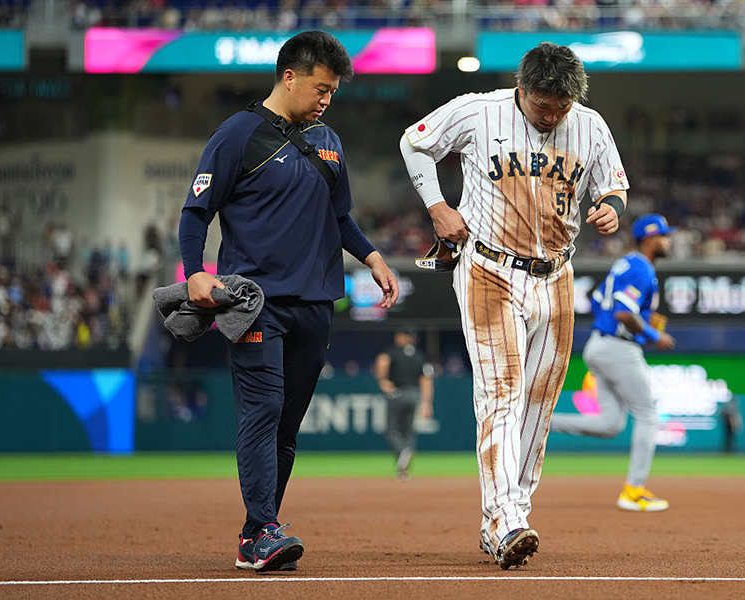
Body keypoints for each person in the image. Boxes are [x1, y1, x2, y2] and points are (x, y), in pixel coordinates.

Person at [399, 41, 628, 569]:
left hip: (557, 275)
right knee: (500, 392)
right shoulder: (479, 110)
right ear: (522, 89)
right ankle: (505, 519)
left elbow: (613, 186)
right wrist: (436, 206)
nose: (553, 114)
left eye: (562, 105)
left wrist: (611, 209)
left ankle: (508, 515)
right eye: (544, 104)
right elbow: (415, 143)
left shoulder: (589, 125)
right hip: (489, 268)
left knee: (540, 403)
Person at [179, 31, 399, 573]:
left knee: (287, 424)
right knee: (264, 410)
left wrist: (371, 257)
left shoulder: (329, 140)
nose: (327, 99)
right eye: (321, 88)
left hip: (317, 302)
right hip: (254, 301)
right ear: (289, 77)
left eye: (333, 91)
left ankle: (261, 530)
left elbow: (339, 215)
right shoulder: (237, 135)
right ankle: (261, 531)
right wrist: (194, 275)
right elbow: (195, 213)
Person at [551, 213, 676, 512]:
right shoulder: (640, 268)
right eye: (663, 235)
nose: (668, 240)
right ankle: (633, 491)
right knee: (647, 415)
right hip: (618, 348)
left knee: (610, 424)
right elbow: (622, 312)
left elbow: (597, 301)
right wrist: (651, 334)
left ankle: (542, 423)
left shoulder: (625, 263)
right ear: (648, 238)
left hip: (600, 344)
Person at [374, 329, 434, 480]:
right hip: (414, 394)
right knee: (407, 431)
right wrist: (427, 403)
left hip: (397, 393)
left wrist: (382, 380)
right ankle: (403, 470)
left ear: (401, 337)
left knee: (392, 429)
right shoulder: (420, 356)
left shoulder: (393, 352)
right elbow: (426, 379)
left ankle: (403, 452)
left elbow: (382, 360)